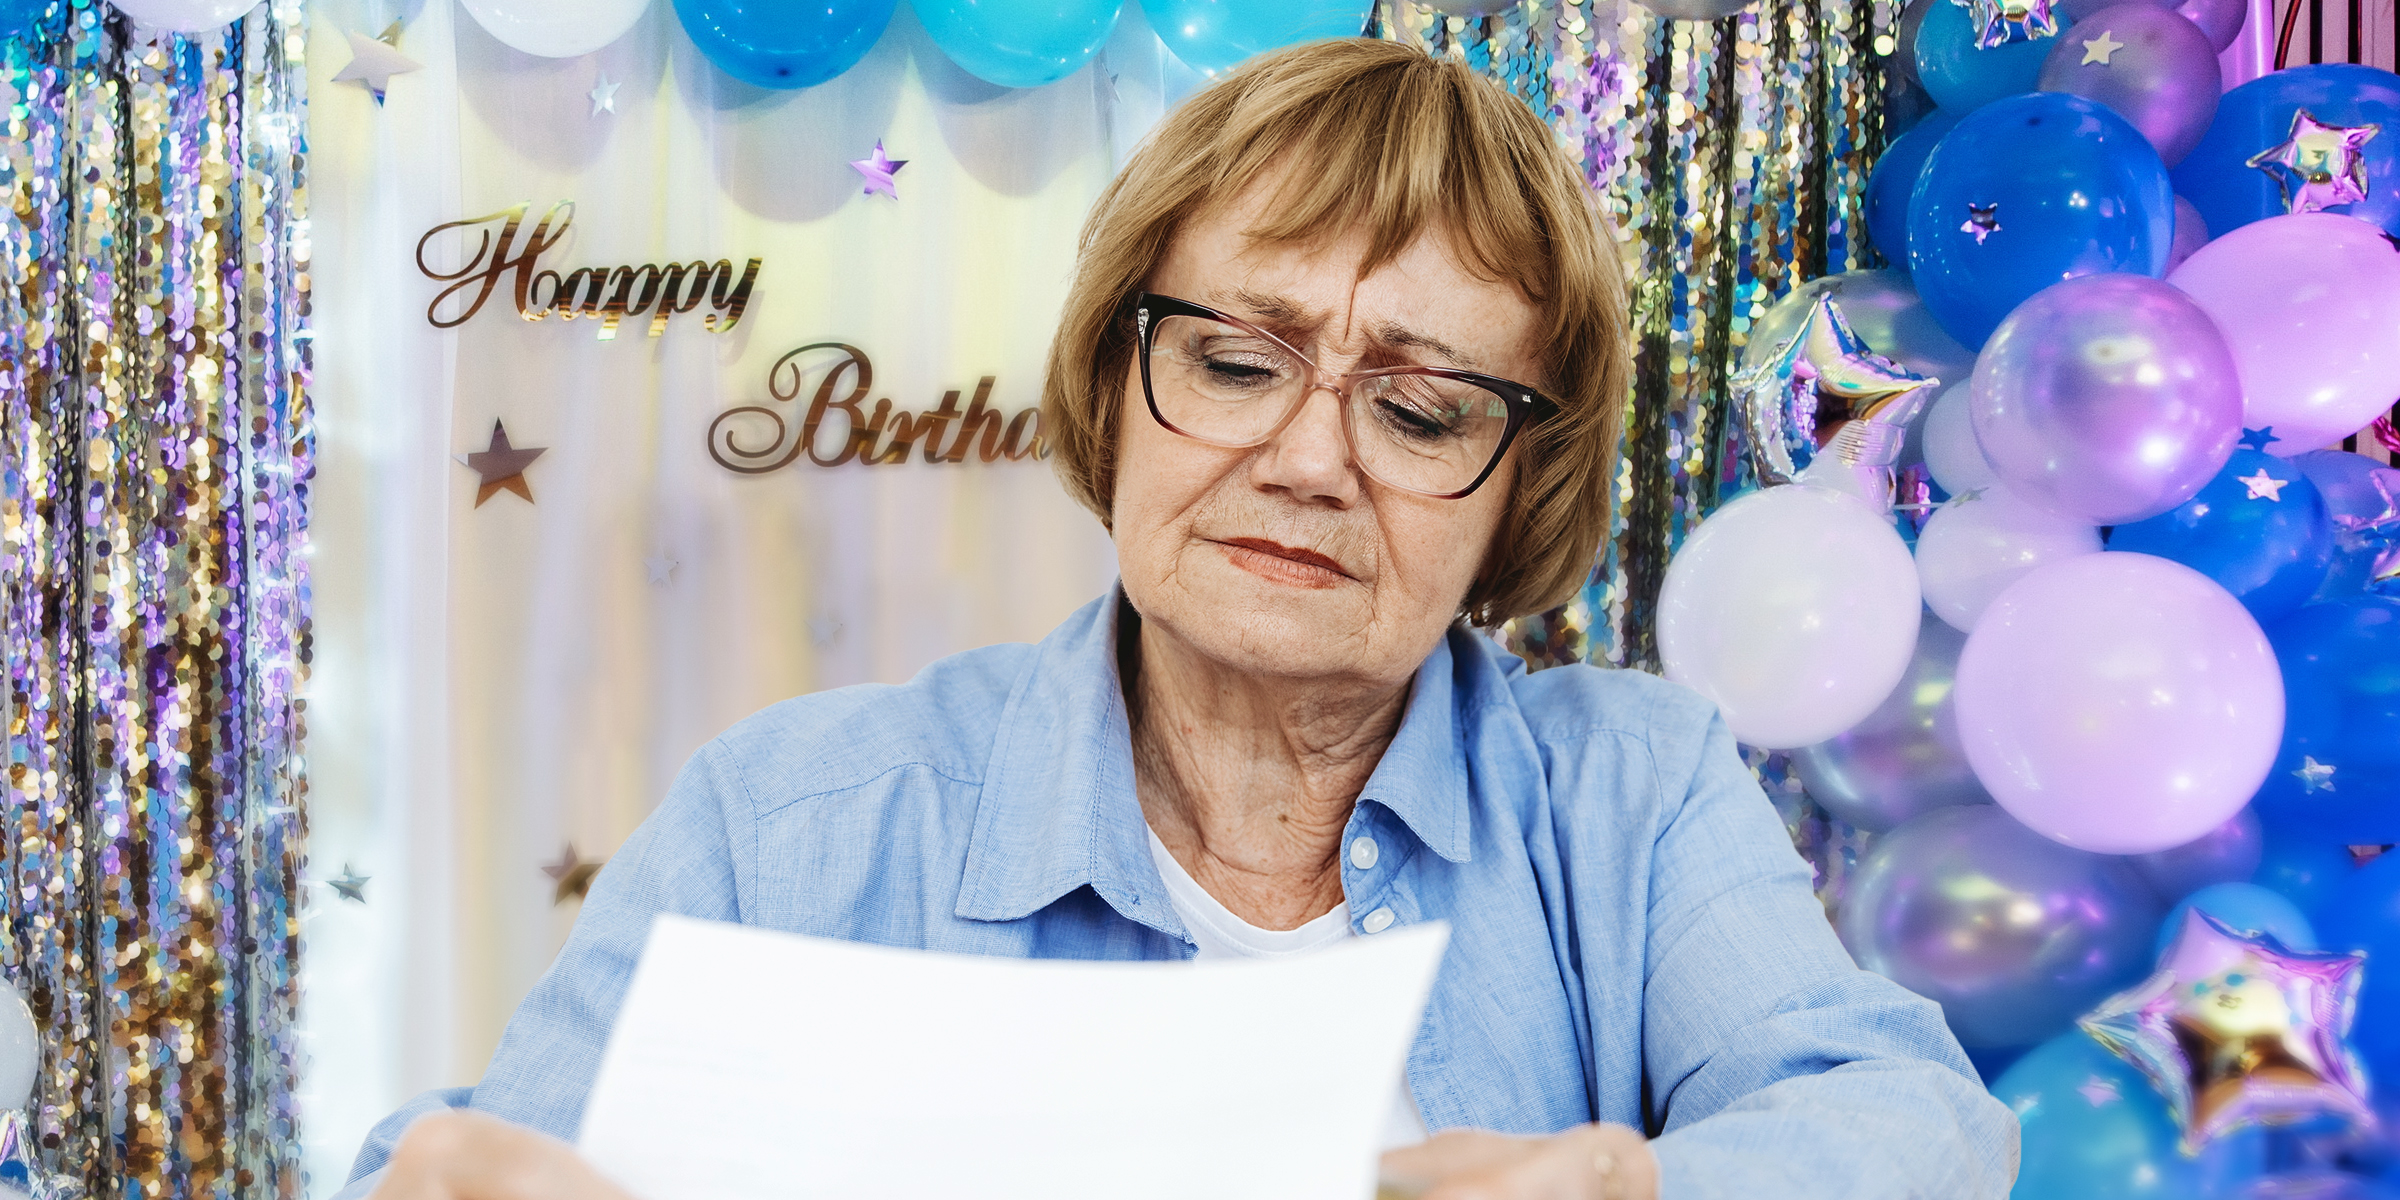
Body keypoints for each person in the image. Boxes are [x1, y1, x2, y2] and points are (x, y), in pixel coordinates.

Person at [345, 37, 2018, 1200]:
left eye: (1424, 412)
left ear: (1522, 487)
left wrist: (1616, 1176)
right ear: (1115, 379)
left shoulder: (1630, 795)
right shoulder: (788, 824)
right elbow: (486, 1156)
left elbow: (1909, 1125)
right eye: (1232, 361)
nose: (1306, 460)